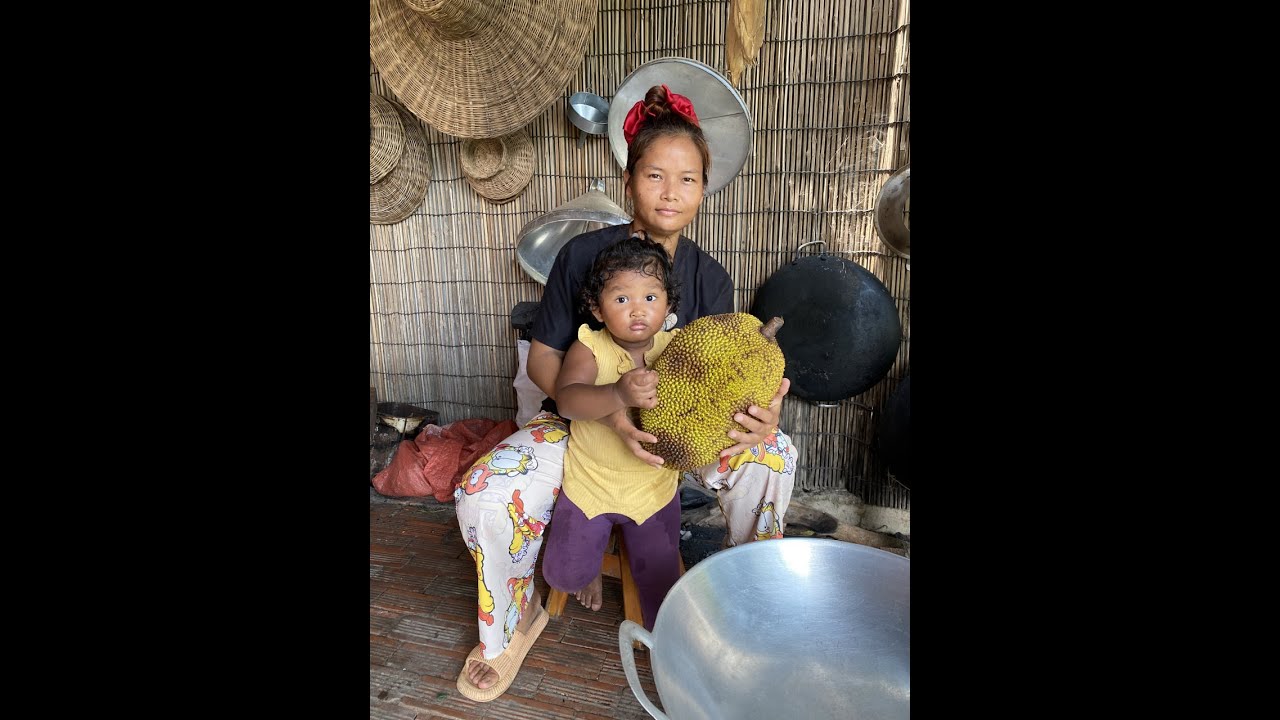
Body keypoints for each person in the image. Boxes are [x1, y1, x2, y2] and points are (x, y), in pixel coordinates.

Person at [454, 83, 798, 702]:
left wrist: (762, 414)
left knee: (774, 457)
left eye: (688, 179)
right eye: (655, 175)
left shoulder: (710, 278)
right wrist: (609, 410)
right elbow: (544, 362)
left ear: (705, 187)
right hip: (578, 420)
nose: (671, 192)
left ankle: (753, 606)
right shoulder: (583, 255)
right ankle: (510, 617)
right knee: (485, 492)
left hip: (676, 437)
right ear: (628, 179)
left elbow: (730, 374)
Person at [540, 232, 685, 635]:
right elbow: (568, 400)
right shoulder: (589, 348)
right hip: (591, 484)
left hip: (653, 488)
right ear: (597, 309)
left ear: (669, 305)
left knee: (661, 587)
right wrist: (618, 393)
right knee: (563, 575)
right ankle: (588, 570)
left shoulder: (679, 350)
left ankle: (665, 643)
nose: (637, 309)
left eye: (650, 297)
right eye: (621, 299)